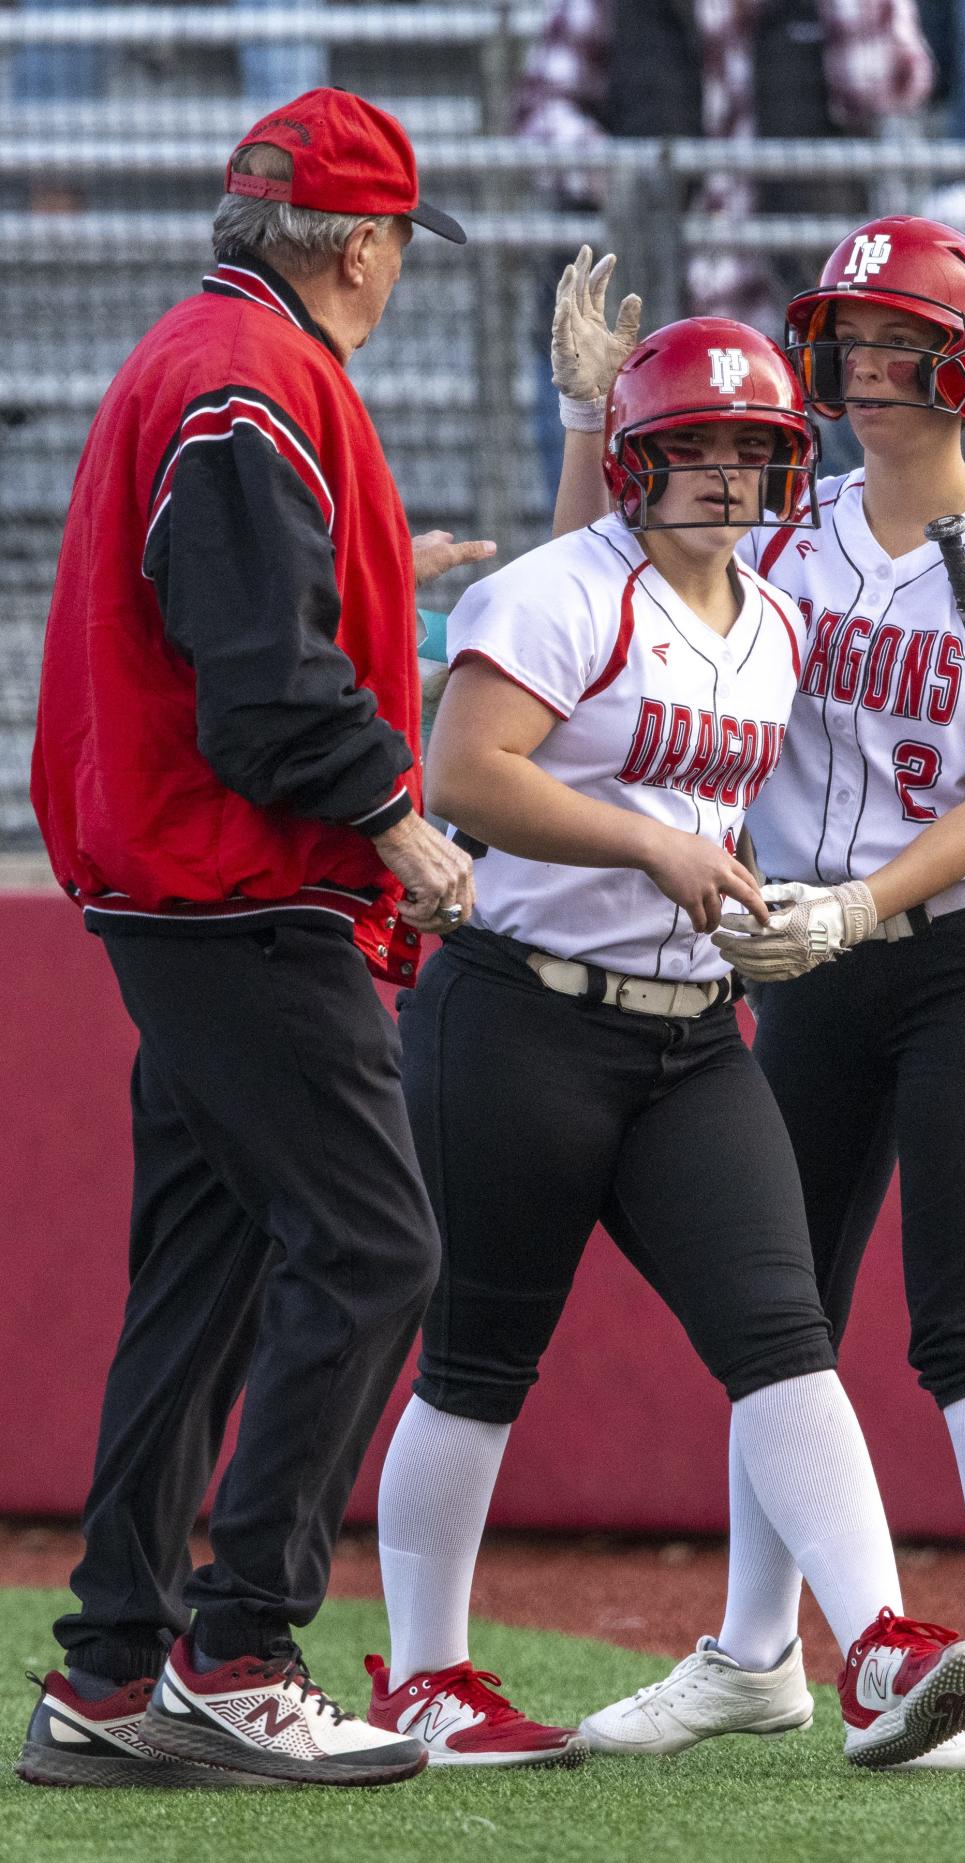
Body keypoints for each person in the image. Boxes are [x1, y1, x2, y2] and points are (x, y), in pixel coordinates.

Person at [362, 315, 965, 1773]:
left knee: (782, 1337)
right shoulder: (558, 588)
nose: (724, 476)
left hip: (692, 1031)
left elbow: (692, 789)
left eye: (752, 450)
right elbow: (469, 772)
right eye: (695, 449)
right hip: (519, 1010)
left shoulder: (774, 618)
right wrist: (654, 847)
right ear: (639, 462)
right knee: (476, 1357)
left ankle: (878, 1649)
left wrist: (773, 902)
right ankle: (423, 1672)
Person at [554, 220, 965, 1770]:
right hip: (809, 958)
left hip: (958, 957)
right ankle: (751, 1653)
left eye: (899, 342)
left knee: (963, 1325)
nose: (867, 371)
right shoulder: (787, 537)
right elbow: (590, 604)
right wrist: (596, 429)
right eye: (851, 341)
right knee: (774, 1319)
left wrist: (860, 900)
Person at [21, 87, 488, 1791]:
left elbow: (239, 604)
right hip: (244, 883)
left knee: (210, 1274)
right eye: (393, 251)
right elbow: (261, 681)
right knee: (374, 1249)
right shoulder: (254, 379)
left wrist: (387, 568)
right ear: (357, 242)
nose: (394, 279)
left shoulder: (215, 358)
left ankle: (109, 1667)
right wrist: (393, 819)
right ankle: (239, 1645)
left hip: (185, 880)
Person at [514, 0, 935, 496]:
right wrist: (618, 175)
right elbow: (536, 115)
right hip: (643, 332)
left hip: (795, 336)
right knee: (609, 546)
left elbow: (890, 87)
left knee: (811, 540)